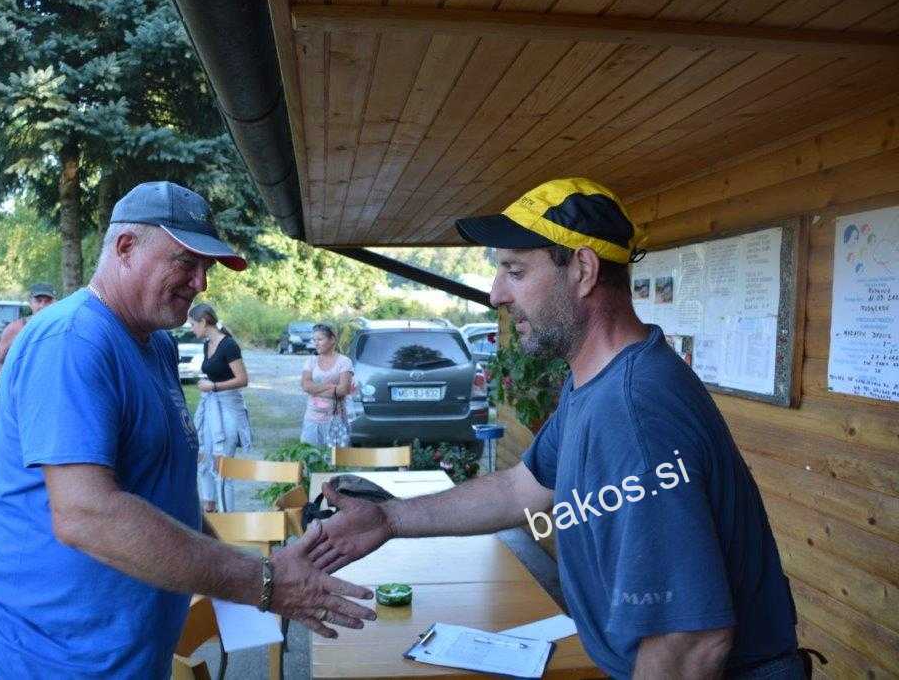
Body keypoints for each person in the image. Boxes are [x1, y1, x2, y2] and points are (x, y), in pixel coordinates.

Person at [308, 178, 802, 679]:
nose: (496, 293)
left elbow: (689, 640)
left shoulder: (632, 408)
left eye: (515, 271)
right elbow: (520, 488)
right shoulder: (598, 382)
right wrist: (388, 519)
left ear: (583, 270)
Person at [0, 181, 375, 679]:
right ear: (126, 247)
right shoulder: (72, 340)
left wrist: (246, 569)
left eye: (207, 268)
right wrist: (262, 581)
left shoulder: (156, 344)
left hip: (121, 654)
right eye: (186, 262)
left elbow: (165, 490)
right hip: (44, 656)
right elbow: (86, 514)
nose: (201, 284)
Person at [188, 303, 253, 512]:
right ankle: (210, 508)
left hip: (228, 408)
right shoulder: (207, 345)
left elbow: (243, 379)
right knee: (203, 459)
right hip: (210, 406)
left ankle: (227, 519)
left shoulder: (229, 345)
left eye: (192, 324)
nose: (191, 329)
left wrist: (214, 386)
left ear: (203, 322)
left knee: (222, 466)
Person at [299, 323, 353, 448]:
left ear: (332, 339)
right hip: (312, 419)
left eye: (320, 339)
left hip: (336, 420)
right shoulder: (311, 361)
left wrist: (315, 389)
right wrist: (330, 386)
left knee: (335, 457)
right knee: (310, 455)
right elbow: (306, 386)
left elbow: (343, 390)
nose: (316, 343)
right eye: (314, 340)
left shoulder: (344, 362)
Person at [0, 282, 57, 376]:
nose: (42, 306)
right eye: (38, 301)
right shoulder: (16, 328)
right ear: (30, 302)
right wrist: (18, 377)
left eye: (48, 301)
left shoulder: (63, 328)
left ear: (55, 303)